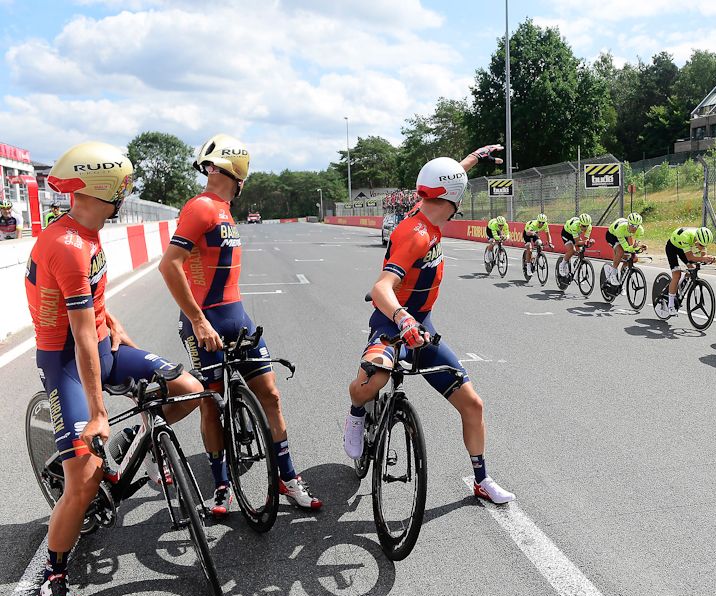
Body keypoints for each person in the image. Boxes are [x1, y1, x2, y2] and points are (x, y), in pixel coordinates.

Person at [27, 142, 205, 596]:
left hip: (102, 344)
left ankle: (132, 443)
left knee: (189, 390)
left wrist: (119, 330)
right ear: (100, 190)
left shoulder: (87, 231)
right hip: (66, 360)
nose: (125, 197)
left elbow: (93, 301)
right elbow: (80, 338)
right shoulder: (64, 246)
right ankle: (54, 575)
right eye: (121, 189)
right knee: (83, 480)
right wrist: (99, 412)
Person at [342, 145, 516, 504]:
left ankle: (481, 479)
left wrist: (473, 158)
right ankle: (357, 413)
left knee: (473, 404)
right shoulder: (416, 232)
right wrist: (403, 318)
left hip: (422, 326)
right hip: (392, 322)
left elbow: (447, 179)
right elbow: (381, 288)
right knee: (372, 380)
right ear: (452, 197)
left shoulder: (427, 208)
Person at [159, 134, 321, 516]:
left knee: (271, 395)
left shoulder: (223, 208)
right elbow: (169, 265)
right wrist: (198, 321)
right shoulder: (201, 207)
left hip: (237, 318)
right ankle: (220, 484)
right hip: (205, 323)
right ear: (240, 172)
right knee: (211, 403)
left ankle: (287, 478)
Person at [655, 226, 716, 317]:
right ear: (696, 239)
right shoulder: (686, 237)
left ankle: (679, 288)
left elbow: (703, 255)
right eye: (701, 245)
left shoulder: (702, 239)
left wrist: (710, 259)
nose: (703, 247)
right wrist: (704, 258)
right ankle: (671, 305)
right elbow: (690, 257)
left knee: (692, 268)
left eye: (705, 246)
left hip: (683, 247)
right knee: (677, 274)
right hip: (672, 247)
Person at [604, 212, 645, 285]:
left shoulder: (640, 230)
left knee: (628, 257)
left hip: (626, 234)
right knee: (620, 251)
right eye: (632, 225)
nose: (634, 228)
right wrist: (633, 249)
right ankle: (613, 274)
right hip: (612, 235)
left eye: (636, 226)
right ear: (628, 223)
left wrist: (638, 248)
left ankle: (621, 282)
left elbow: (634, 245)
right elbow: (626, 247)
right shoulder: (621, 229)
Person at [559, 213, 593, 278]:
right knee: (572, 250)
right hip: (566, 234)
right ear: (580, 224)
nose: (585, 228)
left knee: (581, 250)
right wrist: (586, 242)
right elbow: (577, 242)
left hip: (575, 234)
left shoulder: (589, 227)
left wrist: (589, 243)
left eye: (587, 226)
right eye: (583, 226)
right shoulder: (575, 226)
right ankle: (562, 264)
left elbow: (585, 241)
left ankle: (577, 267)